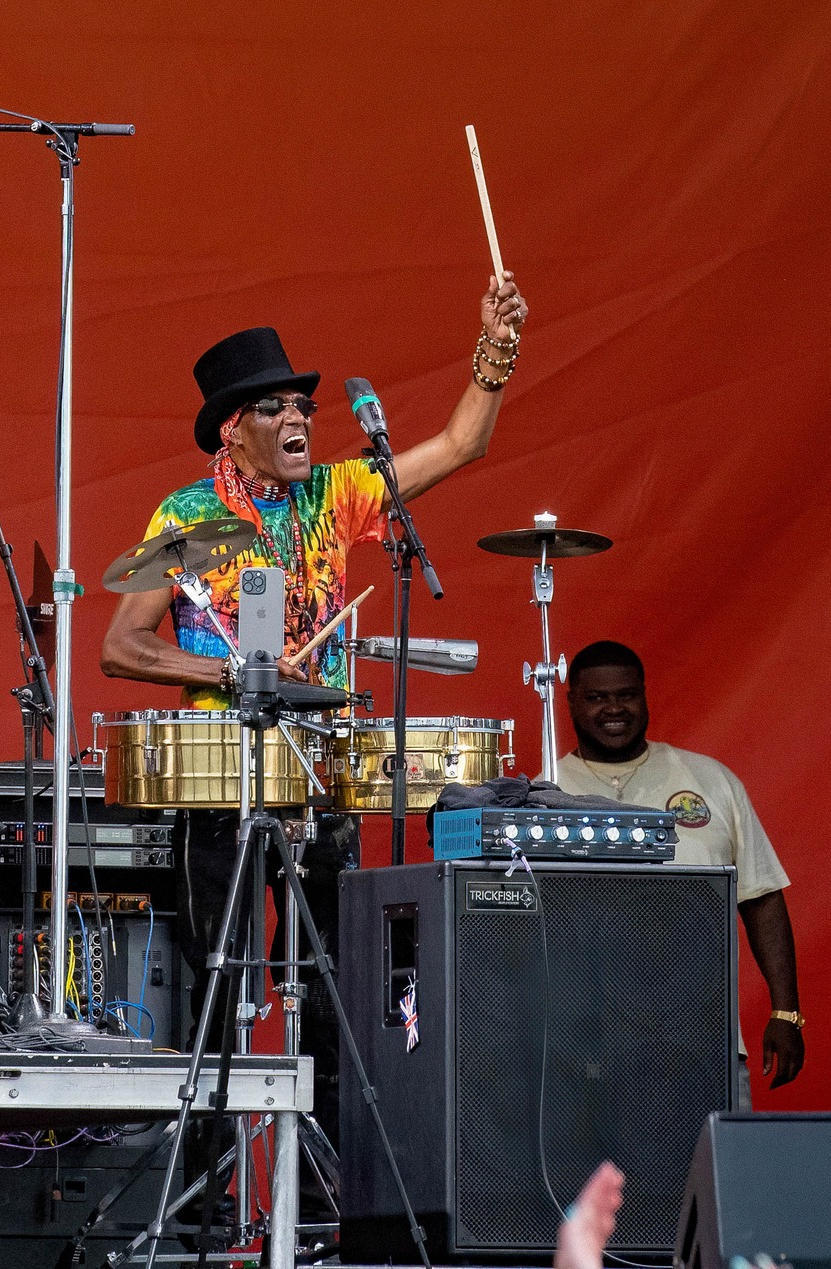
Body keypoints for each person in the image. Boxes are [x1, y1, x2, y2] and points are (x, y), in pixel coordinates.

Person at [99, 273, 529, 1155]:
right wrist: (234, 668)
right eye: (277, 408)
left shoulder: (334, 497)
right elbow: (122, 645)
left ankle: (338, 1200)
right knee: (213, 996)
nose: (299, 419)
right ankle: (208, 1203)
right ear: (235, 427)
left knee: (336, 993)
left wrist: (494, 354)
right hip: (219, 785)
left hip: (319, 779)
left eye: (303, 404)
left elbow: (457, 446)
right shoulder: (185, 515)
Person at [554, 640, 804, 1096]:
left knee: (717, 1168)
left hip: (702, 1045)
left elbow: (762, 897)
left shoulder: (711, 781)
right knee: (595, 1172)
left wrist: (785, 1012)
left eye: (627, 694)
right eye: (596, 698)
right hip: (584, 1052)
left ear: (645, 695)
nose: (614, 709)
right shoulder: (542, 795)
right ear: (570, 702)